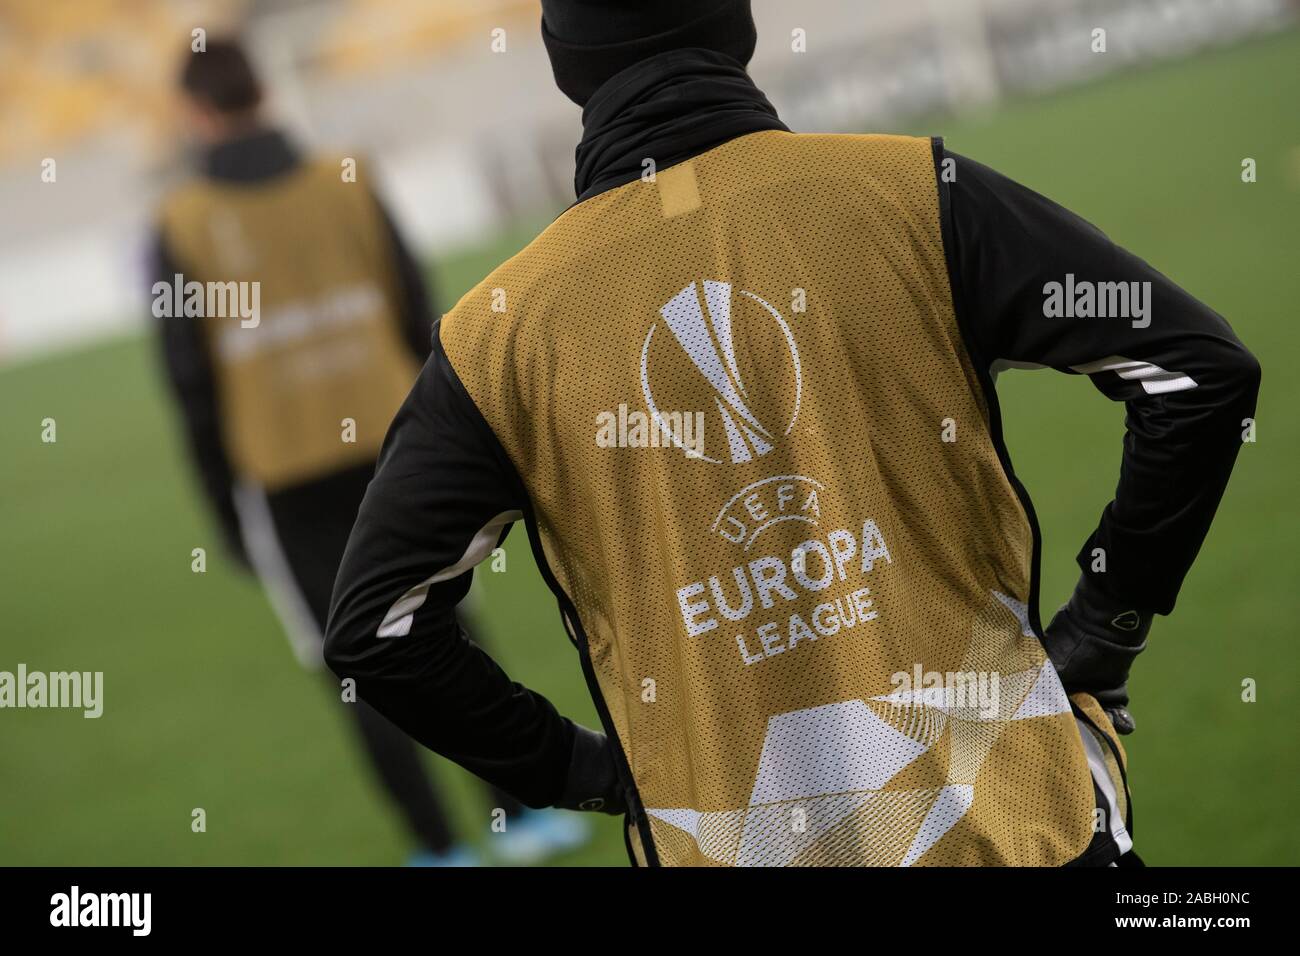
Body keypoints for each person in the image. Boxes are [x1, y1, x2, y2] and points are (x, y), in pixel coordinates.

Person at [324, 1, 1259, 866]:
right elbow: (1199, 373)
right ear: (737, 25)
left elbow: (376, 627)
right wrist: (1108, 623)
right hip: (1024, 828)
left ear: (565, 66)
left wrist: (579, 770)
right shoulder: (912, 194)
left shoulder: (498, 335)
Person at [153, 37, 587, 866]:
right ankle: (522, 819)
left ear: (198, 112)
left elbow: (190, 382)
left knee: (348, 660)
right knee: (446, 627)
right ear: (265, 95)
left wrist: (225, 514)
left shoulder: (180, 221)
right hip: (393, 437)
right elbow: (416, 305)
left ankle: (438, 848)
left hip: (286, 473)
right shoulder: (345, 177)